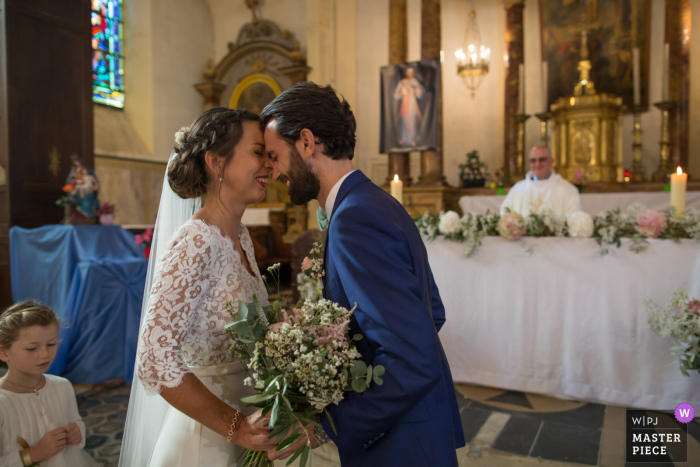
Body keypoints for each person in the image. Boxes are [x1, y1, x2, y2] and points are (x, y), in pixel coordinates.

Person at [261, 82, 464, 467]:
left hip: (398, 441)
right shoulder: (375, 201)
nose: (273, 172)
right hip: (417, 425)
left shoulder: (354, 219)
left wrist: (328, 424)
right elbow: (431, 311)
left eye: (274, 156)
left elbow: (413, 358)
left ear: (306, 142)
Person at [119, 108, 277, 467]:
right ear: (216, 161)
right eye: (257, 152)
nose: (268, 165)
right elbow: (154, 360)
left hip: (249, 422)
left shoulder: (239, 235)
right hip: (207, 439)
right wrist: (233, 426)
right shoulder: (195, 241)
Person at [0, 301, 97, 467]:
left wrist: (77, 433)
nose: (45, 354)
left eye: (51, 344)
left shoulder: (63, 386)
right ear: (3, 352)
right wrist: (34, 453)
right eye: (32, 348)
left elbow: (76, 421)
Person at [500, 146, 582, 216]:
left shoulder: (567, 189)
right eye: (533, 160)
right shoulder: (518, 189)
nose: (537, 164)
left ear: (551, 161)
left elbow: (574, 218)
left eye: (542, 159)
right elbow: (505, 214)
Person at [393, 67, 424, 148]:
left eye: (411, 72)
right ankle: (403, 138)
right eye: (408, 72)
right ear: (405, 73)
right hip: (404, 103)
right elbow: (396, 95)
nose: (409, 74)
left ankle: (412, 139)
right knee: (404, 121)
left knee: (412, 121)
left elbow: (419, 95)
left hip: (412, 104)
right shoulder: (402, 82)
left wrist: (416, 88)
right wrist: (402, 94)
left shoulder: (415, 82)